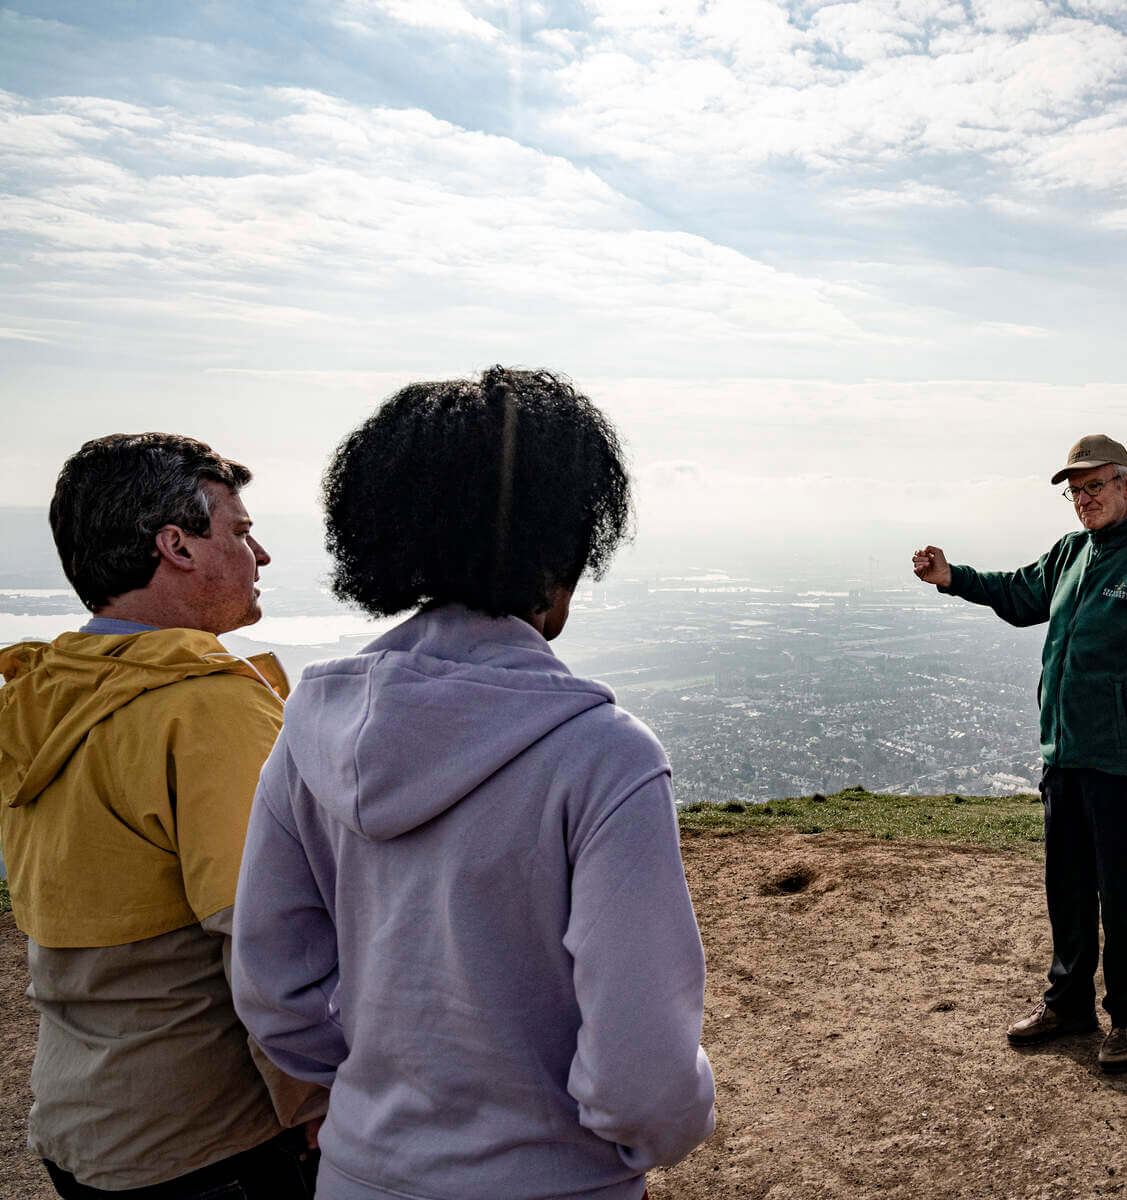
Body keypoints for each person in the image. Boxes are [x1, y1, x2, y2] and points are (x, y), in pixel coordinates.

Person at [230, 367, 715, 1200]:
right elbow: (647, 1075)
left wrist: (367, 1107)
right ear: (563, 548)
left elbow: (271, 987)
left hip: (359, 1173)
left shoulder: (308, 729)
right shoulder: (603, 755)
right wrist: (621, 1148)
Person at [0, 434, 325, 1196]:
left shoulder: (41, 696)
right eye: (240, 533)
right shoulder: (204, 706)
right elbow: (266, 932)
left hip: (83, 1125)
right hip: (210, 1142)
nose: (262, 557)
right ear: (175, 545)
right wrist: (319, 1100)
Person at [912, 434, 1127, 1073]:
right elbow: (1022, 593)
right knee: (1069, 887)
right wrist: (952, 579)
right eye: (1074, 491)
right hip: (1067, 757)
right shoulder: (1071, 554)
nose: (1084, 500)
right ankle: (1070, 1002)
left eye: (1095, 487)